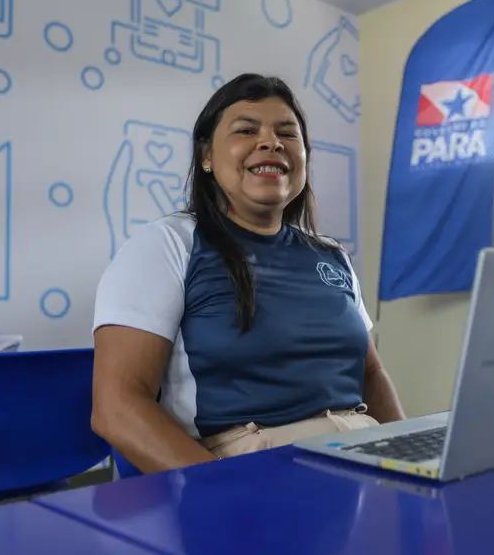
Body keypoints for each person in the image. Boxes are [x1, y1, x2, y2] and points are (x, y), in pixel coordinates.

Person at [91, 74, 405, 475]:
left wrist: (407, 456)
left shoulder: (332, 256)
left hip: (360, 451)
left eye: (287, 134)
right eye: (246, 129)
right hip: (249, 468)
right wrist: (221, 493)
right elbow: (116, 407)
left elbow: (371, 373)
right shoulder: (167, 245)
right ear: (206, 156)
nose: (271, 142)